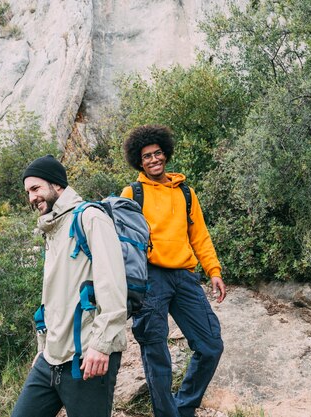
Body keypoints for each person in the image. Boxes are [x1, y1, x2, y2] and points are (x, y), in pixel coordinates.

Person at [121, 125, 226, 417]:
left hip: (184, 276)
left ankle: (185, 406)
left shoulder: (186, 193)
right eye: (146, 156)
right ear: (138, 161)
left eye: (157, 153)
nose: (153, 159)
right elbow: (124, 242)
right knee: (156, 354)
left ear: (166, 154)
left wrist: (213, 270)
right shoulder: (132, 193)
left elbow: (200, 236)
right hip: (150, 279)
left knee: (210, 345)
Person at [11, 155, 128, 417]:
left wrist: (101, 344)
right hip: (51, 358)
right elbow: (55, 296)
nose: (31, 198)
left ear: (57, 185)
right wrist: (43, 348)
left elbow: (113, 283)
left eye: (36, 188)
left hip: (87, 356)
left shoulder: (89, 217)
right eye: (28, 192)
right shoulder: (52, 228)